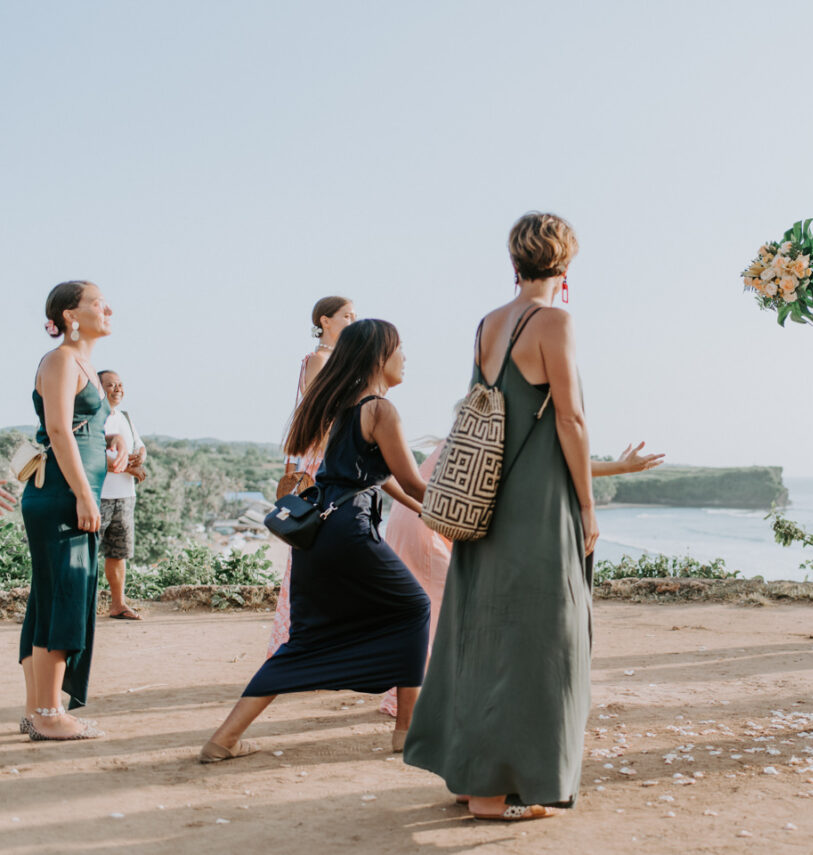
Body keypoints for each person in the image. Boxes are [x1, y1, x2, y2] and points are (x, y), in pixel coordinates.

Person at [403, 212, 599, 821]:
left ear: (514, 263)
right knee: (540, 635)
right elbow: (570, 419)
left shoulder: (488, 323)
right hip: (535, 503)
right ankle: (495, 793)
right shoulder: (555, 322)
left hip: (484, 499)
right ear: (566, 265)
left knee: (481, 629)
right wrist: (587, 505)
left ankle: (472, 778)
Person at [201, 319, 431, 762]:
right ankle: (407, 730)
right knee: (414, 607)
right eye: (399, 348)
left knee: (305, 638)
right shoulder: (381, 409)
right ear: (379, 357)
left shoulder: (343, 406)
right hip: (349, 531)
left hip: (317, 531)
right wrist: (472, 510)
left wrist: (420, 510)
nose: (405, 358)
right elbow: (412, 481)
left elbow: (376, 478)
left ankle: (223, 740)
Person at [377, 439, 663, 718]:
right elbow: (557, 465)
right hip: (425, 522)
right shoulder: (496, 434)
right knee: (445, 614)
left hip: (416, 516)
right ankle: (410, 702)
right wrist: (620, 467)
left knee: (436, 614)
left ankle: (427, 695)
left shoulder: (477, 432)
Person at [20, 280, 127, 740]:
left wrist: (113, 441)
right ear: (70, 315)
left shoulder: (84, 366)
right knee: (63, 595)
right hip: (62, 496)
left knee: (49, 597)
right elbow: (59, 430)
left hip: (69, 493)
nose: (109, 310)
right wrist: (85, 494)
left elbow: (83, 429)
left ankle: (36, 711)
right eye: (98, 303)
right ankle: (49, 714)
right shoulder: (61, 359)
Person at [267, 296, 357, 657]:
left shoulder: (338, 359)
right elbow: (322, 414)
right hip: (325, 456)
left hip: (333, 453)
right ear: (325, 320)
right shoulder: (320, 360)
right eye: (346, 315)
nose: (353, 320)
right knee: (318, 542)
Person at [97, 370, 147, 620]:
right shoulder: (91, 419)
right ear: (98, 389)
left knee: (118, 554)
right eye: (110, 385)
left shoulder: (125, 417)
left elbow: (139, 445)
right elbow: (90, 456)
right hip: (97, 496)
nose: (117, 389)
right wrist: (129, 467)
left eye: (120, 384)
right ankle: (81, 606)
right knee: (86, 555)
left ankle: (118, 604)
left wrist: (140, 458)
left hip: (125, 496)